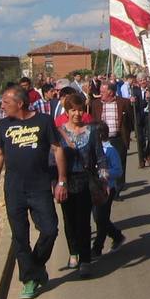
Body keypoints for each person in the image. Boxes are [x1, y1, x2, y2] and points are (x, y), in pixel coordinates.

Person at [0, 85, 67, 299]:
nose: (2, 106)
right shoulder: (4, 125)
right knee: (20, 237)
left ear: (20, 103)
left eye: (6, 102)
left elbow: (57, 149)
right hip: (14, 190)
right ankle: (29, 279)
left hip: (39, 187)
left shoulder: (43, 121)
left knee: (50, 230)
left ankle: (35, 267)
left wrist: (61, 180)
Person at [57, 91, 103, 275]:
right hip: (66, 181)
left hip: (86, 180)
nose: (77, 113)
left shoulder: (91, 131)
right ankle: (73, 252)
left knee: (84, 221)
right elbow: (52, 160)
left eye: (80, 110)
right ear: (67, 111)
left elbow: (100, 156)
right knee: (69, 221)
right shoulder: (59, 133)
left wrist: (104, 179)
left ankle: (85, 259)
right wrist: (56, 183)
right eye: (73, 110)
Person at [89, 82, 135, 191]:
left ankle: (118, 189)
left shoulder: (123, 102)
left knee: (119, 163)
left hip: (118, 138)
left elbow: (130, 119)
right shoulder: (95, 104)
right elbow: (92, 120)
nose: (100, 94)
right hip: (101, 140)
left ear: (110, 92)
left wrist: (126, 132)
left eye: (102, 92)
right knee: (102, 163)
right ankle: (103, 186)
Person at [92, 124, 126, 257]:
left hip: (107, 189)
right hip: (94, 188)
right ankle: (117, 236)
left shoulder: (110, 150)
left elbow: (118, 171)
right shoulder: (93, 149)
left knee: (101, 218)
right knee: (99, 218)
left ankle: (97, 248)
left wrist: (105, 173)